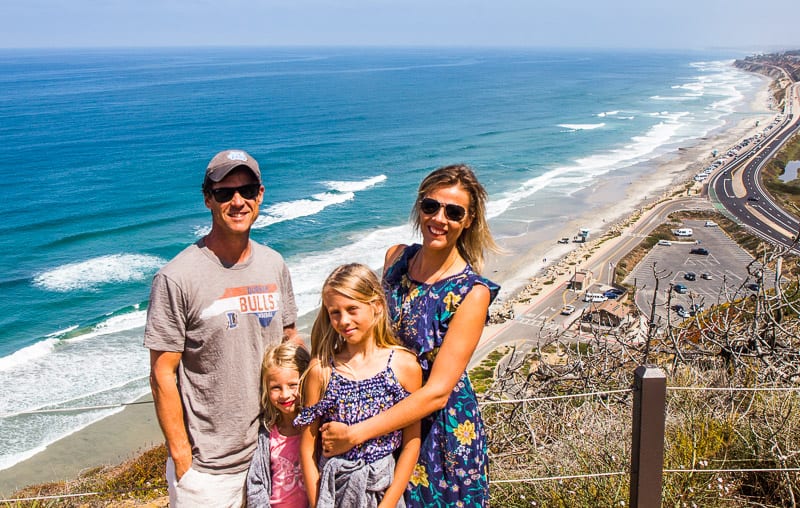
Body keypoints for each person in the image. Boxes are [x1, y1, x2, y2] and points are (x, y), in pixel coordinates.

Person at [320, 164, 501, 507]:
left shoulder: (470, 293)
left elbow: (436, 393)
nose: (439, 218)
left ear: (469, 220)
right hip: (383, 421)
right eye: (430, 206)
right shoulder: (396, 258)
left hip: (439, 435)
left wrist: (355, 434)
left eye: (454, 211)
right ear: (419, 207)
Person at [145, 149, 299, 507]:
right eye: (224, 193)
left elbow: (290, 340)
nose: (237, 201)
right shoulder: (176, 277)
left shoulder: (274, 264)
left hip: (273, 450)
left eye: (247, 190)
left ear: (260, 194)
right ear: (207, 199)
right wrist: (184, 459)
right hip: (210, 470)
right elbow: (161, 374)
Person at [295, 263, 422, 507]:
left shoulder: (404, 366)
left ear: (376, 306)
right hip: (334, 493)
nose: (344, 321)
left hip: (382, 492)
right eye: (335, 312)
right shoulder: (321, 370)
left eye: (352, 309)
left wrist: (388, 504)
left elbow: (411, 443)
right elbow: (308, 449)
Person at [246, 341, 311, 507]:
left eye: (292, 385)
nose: (285, 395)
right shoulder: (266, 434)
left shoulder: (314, 430)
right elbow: (256, 483)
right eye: (276, 387)